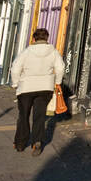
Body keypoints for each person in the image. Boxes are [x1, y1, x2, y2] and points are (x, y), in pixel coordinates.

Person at [9, 28, 64, 156]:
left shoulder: (27, 52)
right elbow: (60, 68)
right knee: (39, 116)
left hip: (26, 88)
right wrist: (58, 82)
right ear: (47, 38)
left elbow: (15, 68)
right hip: (45, 88)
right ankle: (37, 141)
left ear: (34, 39)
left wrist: (16, 83)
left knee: (23, 116)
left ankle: (20, 144)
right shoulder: (53, 52)